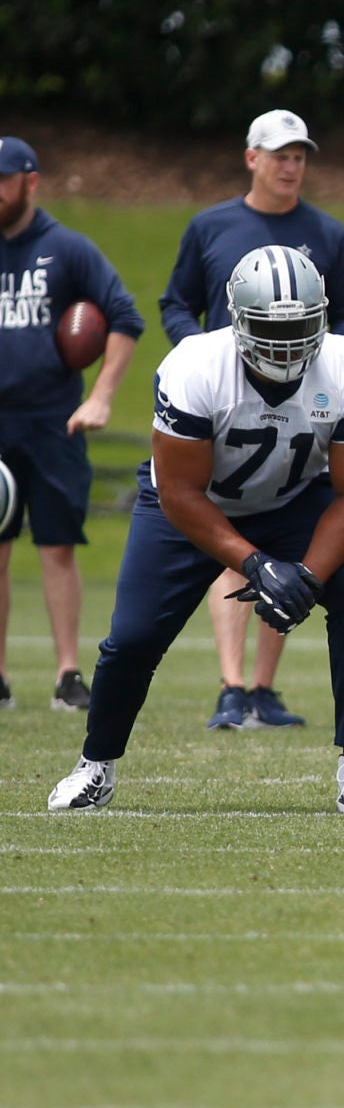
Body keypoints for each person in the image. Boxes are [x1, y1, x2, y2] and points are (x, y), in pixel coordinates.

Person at [49, 247, 344, 813]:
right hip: (190, 505)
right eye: (268, 328)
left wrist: (307, 575)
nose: (285, 343)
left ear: (323, 318)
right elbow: (180, 492)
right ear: (236, 321)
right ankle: (96, 763)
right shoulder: (196, 367)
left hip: (294, 497)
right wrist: (255, 564)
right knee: (132, 637)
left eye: (300, 326)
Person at [160, 110, 344, 732]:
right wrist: (194, 355)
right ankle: (230, 684)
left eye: (299, 153)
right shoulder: (212, 225)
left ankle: (264, 687)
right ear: (251, 157)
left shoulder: (327, 232)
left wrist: (325, 365)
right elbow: (178, 301)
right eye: (279, 153)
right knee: (229, 528)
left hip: (302, 406)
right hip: (225, 404)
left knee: (290, 541)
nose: (290, 164)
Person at [0, 136, 145, 713]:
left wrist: (102, 397)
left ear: (30, 182)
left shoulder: (67, 249)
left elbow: (124, 317)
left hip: (52, 423)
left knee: (58, 545)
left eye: (3, 180)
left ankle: (67, 674)